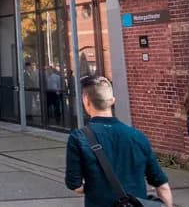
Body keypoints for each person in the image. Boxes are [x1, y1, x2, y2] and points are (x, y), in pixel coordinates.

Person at [65, 76, 173, 207]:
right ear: (112, 101)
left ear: (86, 100)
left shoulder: (79, 138)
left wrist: (96, 185)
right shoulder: (137, 136)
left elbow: (75, 185)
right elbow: (162, 185)